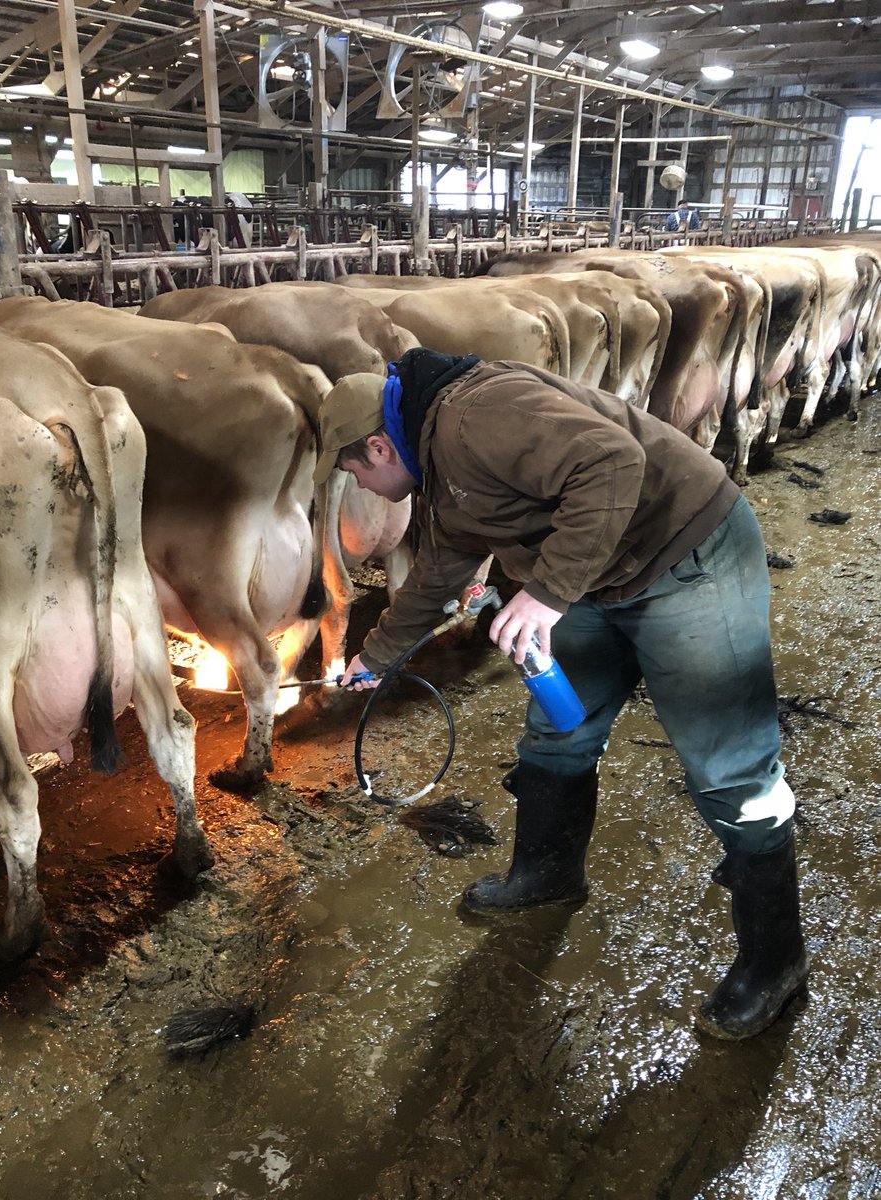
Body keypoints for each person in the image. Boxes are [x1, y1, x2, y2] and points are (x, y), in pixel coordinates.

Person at [314, 349, 809, 1041]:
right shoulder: (436, 462)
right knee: (557, 729)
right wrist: (375, 656)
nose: (358, 483)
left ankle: (775, 962)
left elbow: (612, 461)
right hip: (595, 573)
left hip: (687, 554)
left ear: (377, 446)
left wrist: (545, 594)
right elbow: (441, 568)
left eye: (353, 470)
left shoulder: (474, 415)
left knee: (730, 768)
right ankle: (547, 874)